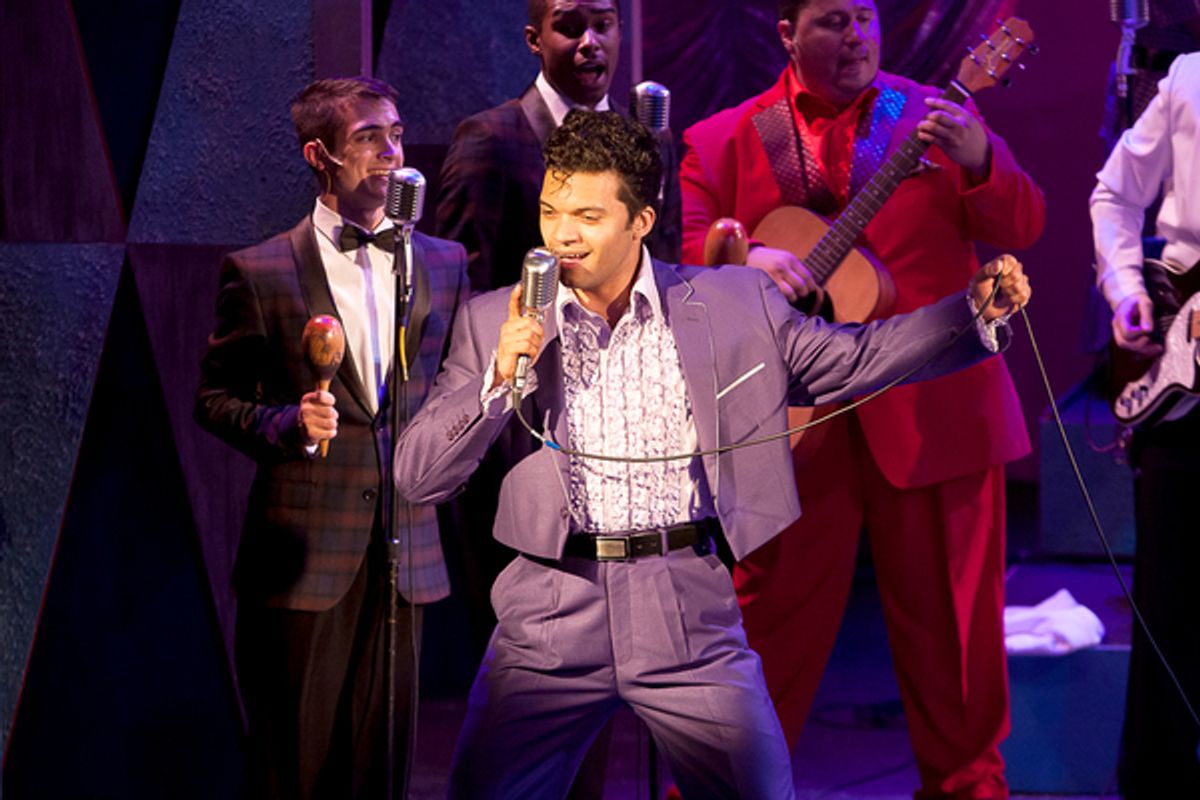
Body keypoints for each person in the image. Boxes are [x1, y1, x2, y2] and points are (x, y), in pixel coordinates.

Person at [394, 109, 1031, 800]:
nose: (561, 236)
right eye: (551, 212)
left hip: (686, 605)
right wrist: (496, 379)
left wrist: (968, 315)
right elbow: (420, 475)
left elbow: (854, 359)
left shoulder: (732, 303)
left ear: (641, 220)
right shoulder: (496, 318)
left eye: (587, 215)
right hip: (550, 609)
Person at [677, 1, 1046, 796]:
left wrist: (983, 160)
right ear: (786, 34)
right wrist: (746, 257)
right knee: (760, 633)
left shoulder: (939, 117)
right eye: (833, 20)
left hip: (935, 409)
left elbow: (1023, 221)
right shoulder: (721, 139)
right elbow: (682, 264)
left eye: (866, 18)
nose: (856, 37)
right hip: (789, 423)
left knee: (956, 644)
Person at [194, 76, 468, 799]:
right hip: (304, 558)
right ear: (320, 155)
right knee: (293, 767)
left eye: (397, 134)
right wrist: (283, 423)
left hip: (406, 550)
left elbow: (447, 391)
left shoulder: (442, 262)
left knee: (382, 767)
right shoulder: (260, 271)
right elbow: (214, 400)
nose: (391, 152)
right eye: (368, 138)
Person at [1090, 51, 1200, 798]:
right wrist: (1127, 285)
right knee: (1167, 613)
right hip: (1180, 378)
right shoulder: (1190, 77)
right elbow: (1113, 195)